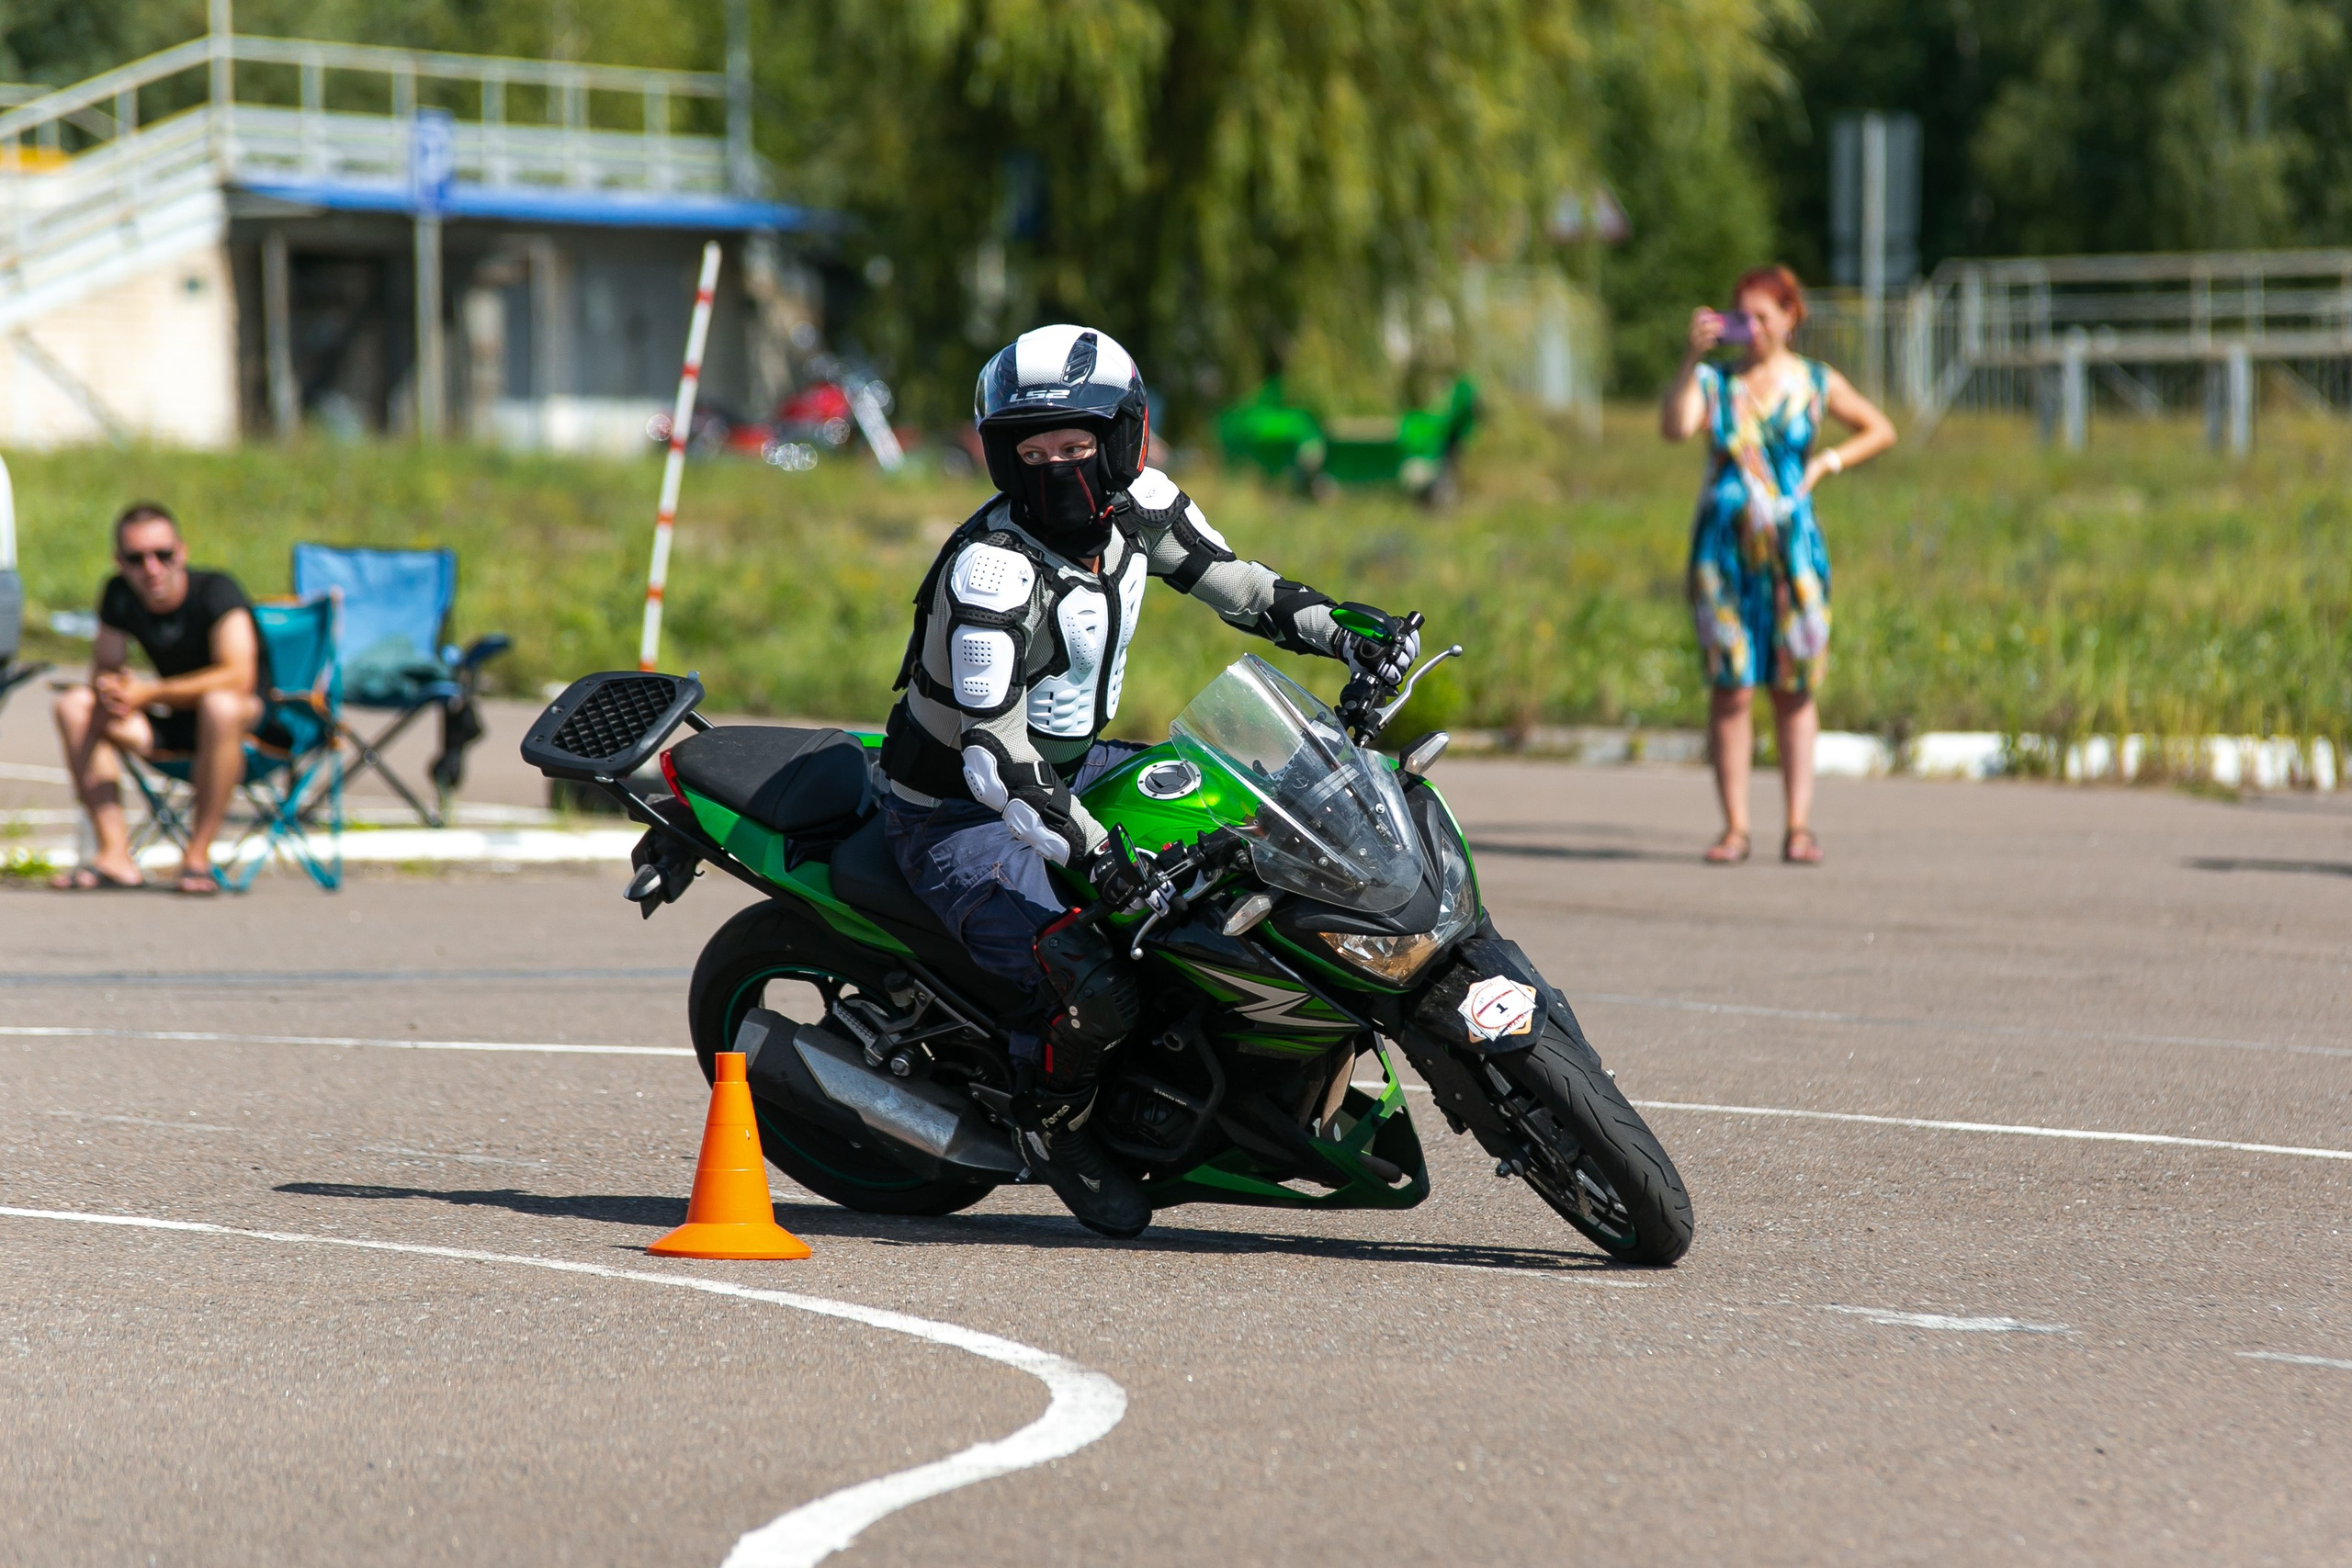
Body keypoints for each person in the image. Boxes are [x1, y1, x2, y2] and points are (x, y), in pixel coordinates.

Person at [880, 323, 1419, 1236]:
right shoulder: (992, 574)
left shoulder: (1144, 508)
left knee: (1269, 833)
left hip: (1074, 763)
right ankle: (1054, 1125)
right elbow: (994, 757)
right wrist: (1100, 857)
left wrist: (1344, 632)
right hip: (956, 814)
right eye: (1031, 451)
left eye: (1077, 447)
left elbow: (1240, 587)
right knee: (1095, 976)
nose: (1055, 468)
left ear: (1125, 438)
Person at [1659, 265, 1894, 865]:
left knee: (1795, 685)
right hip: (1723, 554)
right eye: (1743, 316)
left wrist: (1827, 464)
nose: (1754, 328)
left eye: (1764, 316)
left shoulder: (1814, 382)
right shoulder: (1715, 383)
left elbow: (1879, 428)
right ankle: (1735, 826)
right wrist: (1690, 359)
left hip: (1795, 555)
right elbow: (1675, 427)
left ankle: (1798, 824)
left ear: (1792, 317)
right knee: (1730, 686)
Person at [51, 503, 280, 895]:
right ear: (119, 562)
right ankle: (114, 855)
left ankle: (197, 857)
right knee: (75, 704)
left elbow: (239, 676)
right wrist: (112, 690)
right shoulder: (119, 595)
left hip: (247, 728)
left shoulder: (216, 591)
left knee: (219, 706)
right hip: (174, 722)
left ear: (182, 553)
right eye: (136, 559)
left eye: (163, 555)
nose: (152, 568)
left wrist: (150, 692)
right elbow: (105, 666)